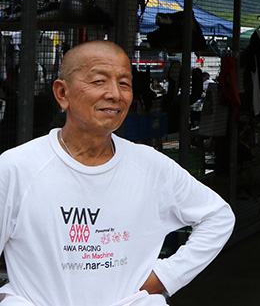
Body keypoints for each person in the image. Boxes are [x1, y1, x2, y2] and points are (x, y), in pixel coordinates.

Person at [0, 40, 235, 306]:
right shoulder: (17, 168)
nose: (115, 94)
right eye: (99, 81)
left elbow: (218, 216)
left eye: (124, 83)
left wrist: (167, 276)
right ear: (62, 93)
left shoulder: (150, 166)